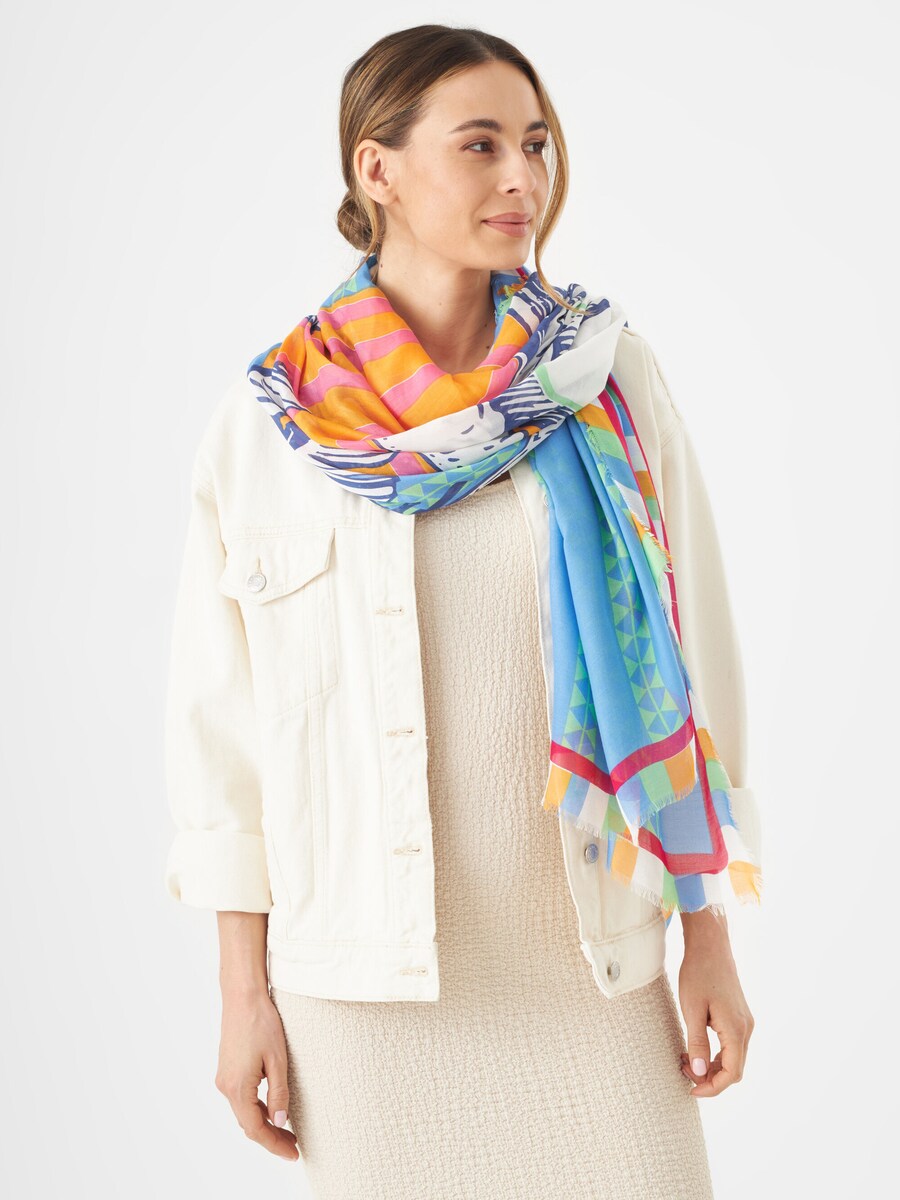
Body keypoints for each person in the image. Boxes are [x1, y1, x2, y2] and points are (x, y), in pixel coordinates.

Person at [164, 23, 761, 1200]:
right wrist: (242, 999)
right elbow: (222, 742)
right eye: (480, 144)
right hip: (368, 988)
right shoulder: (273, 426)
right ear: (376, 169)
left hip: (593, 964)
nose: (522, 177)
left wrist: (708, 938)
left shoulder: (605, 378)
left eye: (535, 143)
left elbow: (690, 661)